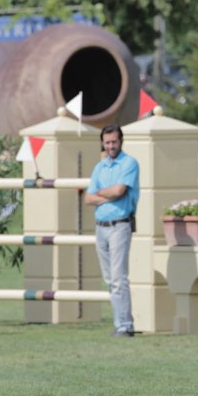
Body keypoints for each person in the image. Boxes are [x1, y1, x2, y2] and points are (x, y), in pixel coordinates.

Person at [85, 124, 139, 337]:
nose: (110, 146)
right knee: (109, 280)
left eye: (114, 142)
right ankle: (120, 323)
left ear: (121, 141)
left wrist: (100, 193)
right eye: (107, 142)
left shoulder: (129, 163)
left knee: (118, 278)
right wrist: (106, 194)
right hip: (101, 227)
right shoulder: (99, 167)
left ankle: (125, 325)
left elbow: (119, 191)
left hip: (120, 225)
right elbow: (88, 198)